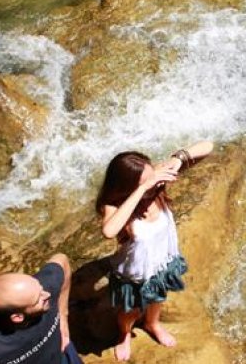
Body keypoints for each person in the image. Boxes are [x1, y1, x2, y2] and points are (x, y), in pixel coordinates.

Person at [96, 141, 214, 361]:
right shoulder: (116, 206)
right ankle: (124, 335)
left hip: (162, 261)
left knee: (158, 297)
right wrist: (142, 189)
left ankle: (152, 324)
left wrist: (177, 158)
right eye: (146, 180)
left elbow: (208, 146)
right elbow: (109, 231)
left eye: (153, 175)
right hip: (135, 272)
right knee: (129, 310)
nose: (155, 181)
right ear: (127, 186)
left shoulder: (158, 187)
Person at [0, 253, 80, 364]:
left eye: (40, 288)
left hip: (64, 357)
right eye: (38, 299)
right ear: (18, 317)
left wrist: (63, 315)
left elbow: (62, 260)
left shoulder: (45, 287)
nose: (47, 295)